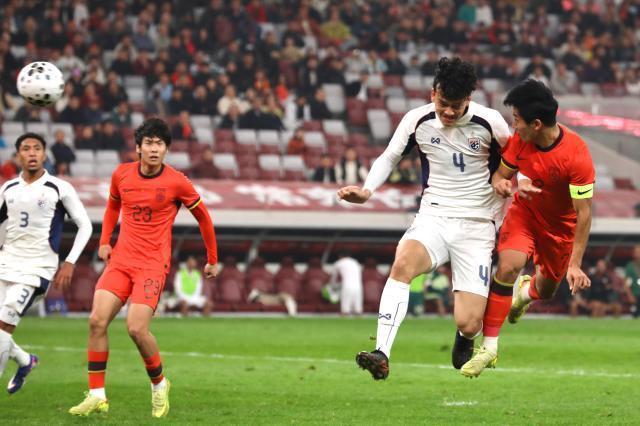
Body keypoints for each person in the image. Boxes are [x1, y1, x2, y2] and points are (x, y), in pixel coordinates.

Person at [338, 57, 510, 380]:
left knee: (469, 321)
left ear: (468, 99)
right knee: (403, 262)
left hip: (477, 225)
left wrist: (513, 184)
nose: (449, 112)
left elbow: (518, 160)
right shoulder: (417, 120)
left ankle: (466, 336)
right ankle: (382, 353)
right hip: (434, 216)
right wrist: (367, 190)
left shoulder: (491, 122)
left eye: (456, 106)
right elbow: (389, 156)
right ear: (433, 94)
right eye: (443, 103)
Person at [69, 119, 219, 418]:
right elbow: (113, 206)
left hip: (152, 265)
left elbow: (203, 217)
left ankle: (159, 384)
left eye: (159, 144)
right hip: (121, 260)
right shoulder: (121, 174)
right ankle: (97, 395)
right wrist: (105, 241)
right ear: (138, 147)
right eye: (148, 143)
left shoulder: (177, 182)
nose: (154, 148)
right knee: (97, 321)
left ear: (166, 150)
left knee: (136, 329)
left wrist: (212, 258)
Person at [461, 79, 595, 377]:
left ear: (536, 124)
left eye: (517, 119)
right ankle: (489, 348)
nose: (514, 125)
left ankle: (525, 294)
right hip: (525, 214)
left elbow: (584, 214)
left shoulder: (576, 155)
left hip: (560, 229)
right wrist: (504, 185)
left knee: (546, 290)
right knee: (508, 267)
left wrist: (575, 264)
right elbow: (500, 176)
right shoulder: (520, 141)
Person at [0, 133, 92, 394]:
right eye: (26, 149)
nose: (32, 153)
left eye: (37, 148)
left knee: (4, 325)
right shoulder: (8, 189)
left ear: (44, 154)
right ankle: (25, 361)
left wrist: (69, 262)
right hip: (6, 265)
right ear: (18, 155)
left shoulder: (59, 188)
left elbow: (85, 225)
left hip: (37, 269)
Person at [625, 245, 640, 317]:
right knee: (635, 314)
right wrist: (630, 295)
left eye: (638, 252)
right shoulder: (630, 266)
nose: (637, 254)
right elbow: (627, 283)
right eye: (635, 252)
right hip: (635, 294)